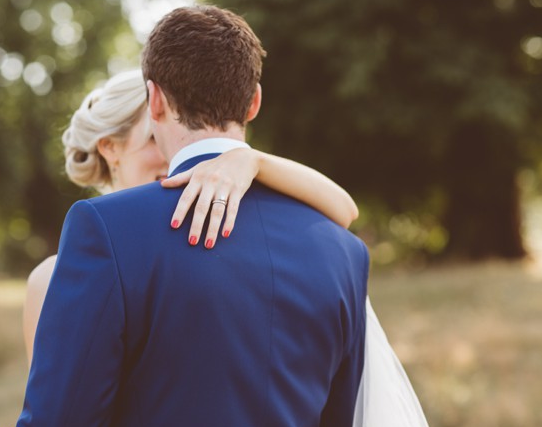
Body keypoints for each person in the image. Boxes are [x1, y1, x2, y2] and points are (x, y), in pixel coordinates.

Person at [14, 5, 429, 427]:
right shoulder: (343, 251)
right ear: (254, 102)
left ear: (154, 100)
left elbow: (56, 426)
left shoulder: (104, 230)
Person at [22, 69, 359, 364]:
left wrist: (253, 161)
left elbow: (344, 210)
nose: (176, 156)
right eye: (154, 139)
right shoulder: (53, 277)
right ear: (110, 148)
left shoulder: (212, 242)